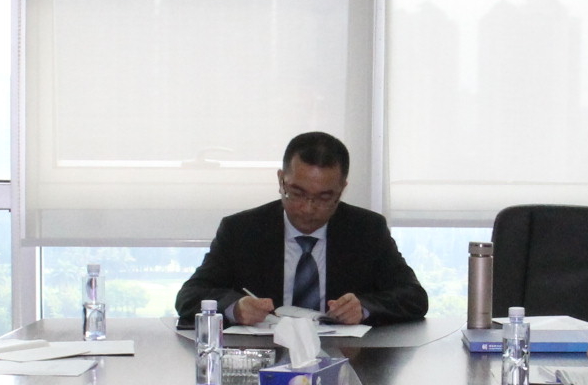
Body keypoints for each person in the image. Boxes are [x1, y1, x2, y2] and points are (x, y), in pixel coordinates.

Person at [172, 132, 429, 326]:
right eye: (296, 193)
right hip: (265, 363)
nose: (307, 208)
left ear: (342, 189)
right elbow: (189, 296)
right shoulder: (242, 231)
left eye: (324, 197)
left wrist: (364, 308)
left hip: (346, 361)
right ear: (281, 180)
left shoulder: (366, 230)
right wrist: (234, 308)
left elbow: (414, 296)